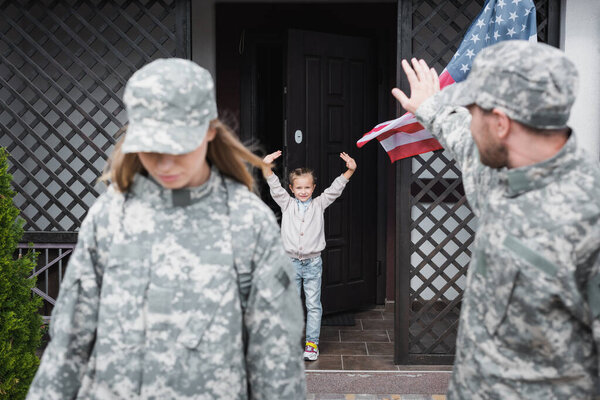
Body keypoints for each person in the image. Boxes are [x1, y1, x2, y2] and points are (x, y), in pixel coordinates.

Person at [26, 58, 306, 399]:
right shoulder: (110, 217)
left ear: (209, 131)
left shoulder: (248, 224)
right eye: (151, 147)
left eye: (178, 147)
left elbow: (276, 364)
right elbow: (68, 346)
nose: (165, 162)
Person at [393, 40, 600, 399]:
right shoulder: (498, 169)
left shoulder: (588, 218)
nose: (471, 124)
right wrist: (429, 107)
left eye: (474, 113)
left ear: (501, 123)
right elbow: (459, 137)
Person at [261, 150, 356, 361]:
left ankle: (311, 344)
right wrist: (266, 167)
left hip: (313, 263)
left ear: (313, 188)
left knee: (313, 304)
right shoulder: (286, 204)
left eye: (307, 187)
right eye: (299, 188)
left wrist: (349, 171)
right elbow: (274, 187)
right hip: (289, 262)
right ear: (292, 189)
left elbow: (334, 190)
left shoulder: (318, 204)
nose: (303, 192)